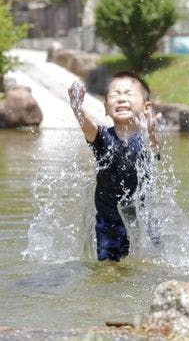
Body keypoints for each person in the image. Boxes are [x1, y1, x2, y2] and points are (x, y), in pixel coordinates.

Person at [68, 71, 159, 261]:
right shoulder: (101, 137)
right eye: (114, 94)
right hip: (109, 220)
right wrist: (77, 107)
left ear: (146, 106)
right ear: (105, 108)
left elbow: (154, 150)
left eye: (128, 93)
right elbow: (87, 126)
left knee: (151, 262)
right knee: (109, 268)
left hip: (142, 216)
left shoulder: (146, 136)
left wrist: (151, 131)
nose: (121, 98)